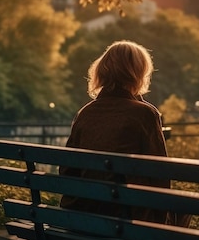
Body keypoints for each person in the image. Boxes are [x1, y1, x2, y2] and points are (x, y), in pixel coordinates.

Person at [59, 40, 189, 227]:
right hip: (127, 219)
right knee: (183, 206)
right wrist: (159, 223)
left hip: (84, 217)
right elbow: (159, 173)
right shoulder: (144, 113)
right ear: (138, 73)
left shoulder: (85, 113)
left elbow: (67, 170)